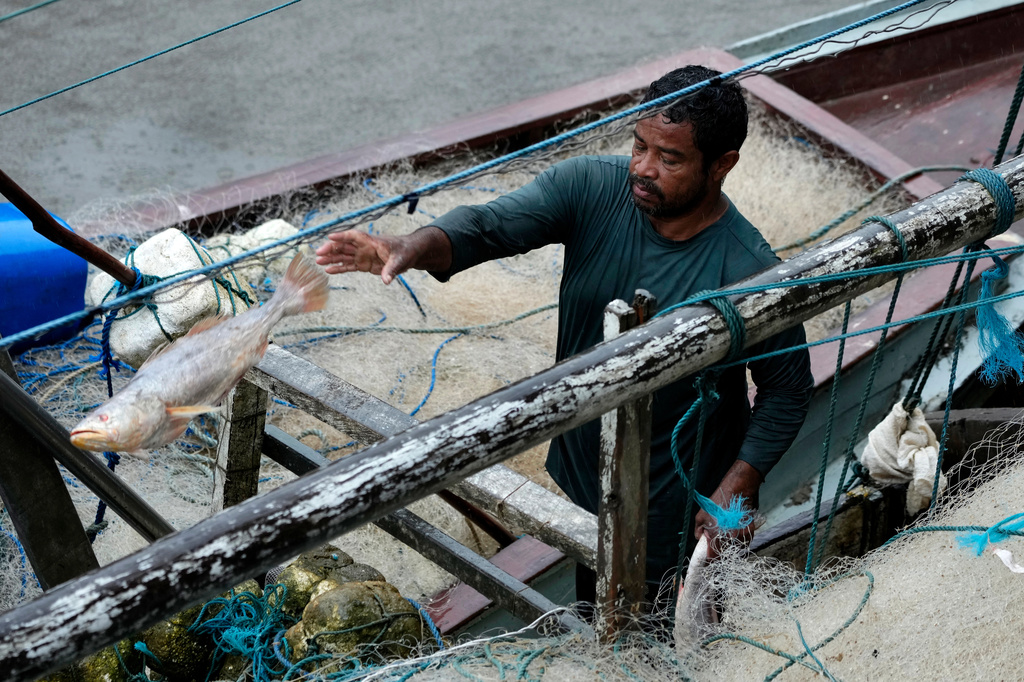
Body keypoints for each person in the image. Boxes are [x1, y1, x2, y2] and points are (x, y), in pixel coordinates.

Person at [316, 65, 813, 613]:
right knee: (588, 601)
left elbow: (787, 390)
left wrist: (740, 483)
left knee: (659, 634)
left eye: (669, 159)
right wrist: (411, 246)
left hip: (676, 507)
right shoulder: (591, 187)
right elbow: (486, 227)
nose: (643, 170)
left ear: (723, 165)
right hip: (583, 480)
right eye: (639, 146)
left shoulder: (751, 271)